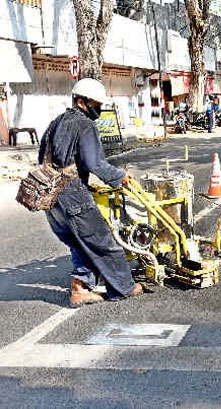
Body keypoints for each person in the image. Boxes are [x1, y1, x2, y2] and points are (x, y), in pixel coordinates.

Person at [39, 78, 143, 307]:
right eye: (96, 103)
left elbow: (43, 158)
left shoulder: (56, 123)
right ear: (81, 102)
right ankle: (124, 288)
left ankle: (80, 288)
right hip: (72, 194)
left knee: (80, 243)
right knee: (103, 242)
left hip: (49, 195)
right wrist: (119, 176)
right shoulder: (85, 125)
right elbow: (94, 163)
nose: (99, 108)